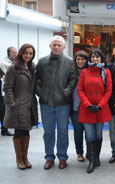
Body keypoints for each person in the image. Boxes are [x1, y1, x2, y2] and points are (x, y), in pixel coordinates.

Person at [36, 35, 77, 170]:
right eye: (54, 44)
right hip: (45, 103)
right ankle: (49, 157)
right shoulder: (41, 62)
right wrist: (41, 93)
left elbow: (73, 80)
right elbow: (35, 81)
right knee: (48, 132)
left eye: (59, 45)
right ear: (50, 46)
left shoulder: (70, 62)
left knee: (63, 132)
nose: (56, 47)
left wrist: (65, 93)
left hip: (63, 104)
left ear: (64, 47)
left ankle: (62, 157)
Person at [3, 44, 38, 170]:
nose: (28, 55)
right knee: (18, 131)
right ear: (21, 53)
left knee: (26, 131)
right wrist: (11, 104)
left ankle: (25, 157)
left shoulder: (32, 67)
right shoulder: (13, 68)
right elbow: (7, 88)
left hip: (29, 105)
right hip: (17, 105)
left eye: (31, 53)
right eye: (26, 53)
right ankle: (19, 159)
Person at [78, 48, 112, 173]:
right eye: (93, 57)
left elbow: (109, 91)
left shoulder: (106, 72)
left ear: (101, 58)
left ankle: (96, 157)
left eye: (97, 57)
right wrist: (88, 104)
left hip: (100, 108)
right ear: (89, 59)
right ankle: (92, 160)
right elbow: (80, 90)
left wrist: (100, 105)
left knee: (98, 134)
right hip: (87, 108)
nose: (95, 59)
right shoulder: (84, 72)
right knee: (90, 134)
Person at [70, 50, 89, 162]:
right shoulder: (71, 72)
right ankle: (79, 152)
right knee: (78, 132)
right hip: (75, 107)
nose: (80, 61)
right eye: (78, 59)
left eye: (82, 59)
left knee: (89, 132)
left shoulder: (89, 72)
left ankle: (89, 151)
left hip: (87, 107)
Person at [0, 46, 17, 136]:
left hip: (14, 89)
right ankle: (4, 129)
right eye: (14, 52)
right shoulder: (4, 63)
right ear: (9, 53)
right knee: (3, 109)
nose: (16, 54)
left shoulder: (16, 62)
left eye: (16, 52)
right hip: (4, 90)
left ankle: (5, 129)